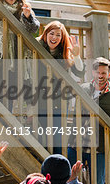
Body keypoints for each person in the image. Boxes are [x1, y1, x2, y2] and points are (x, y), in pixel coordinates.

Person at [36, 21, 85, 154]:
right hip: (39, 102)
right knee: (42, 139)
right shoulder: (35, 48)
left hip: (59, 103)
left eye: (58, 35)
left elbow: (79, 72)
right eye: (51, 34)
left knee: (57, 140)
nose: (54, 38)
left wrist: (76, 55)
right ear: (45, 34)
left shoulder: (65, 54)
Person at [0, 0, 40, 108]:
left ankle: (8, 125)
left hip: (18, 60)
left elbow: (34, 30)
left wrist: (27, 16)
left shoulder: (24, 9)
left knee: (11, 97)